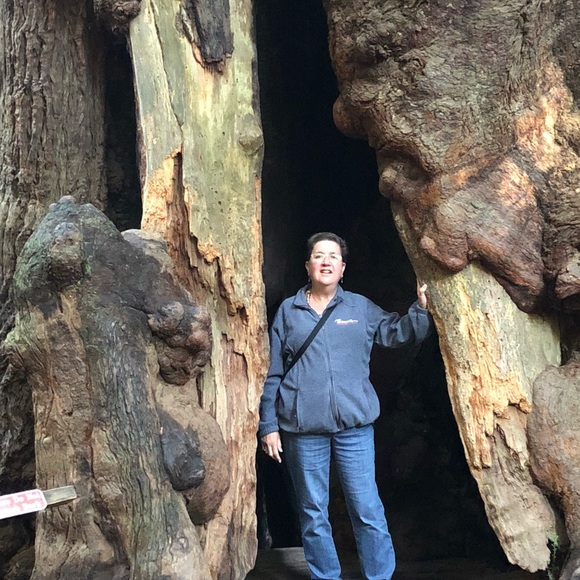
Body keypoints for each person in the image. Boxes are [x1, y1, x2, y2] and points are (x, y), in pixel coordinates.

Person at [258, 232, 432, 580]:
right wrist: (269, 425)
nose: (326, 261)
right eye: (319, 256)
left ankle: (379, 575)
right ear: (308, 266)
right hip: (303, 429)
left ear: (342, 269)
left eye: (333, 257)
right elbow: (271, 372)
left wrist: (421, 309)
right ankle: (326, 576)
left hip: (354, 429)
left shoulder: (359, 308)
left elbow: (397, 333)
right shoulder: (289, 312)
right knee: (312, 511)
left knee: (366, 507)